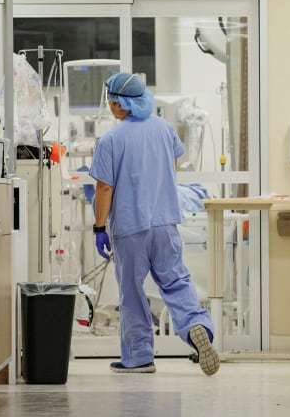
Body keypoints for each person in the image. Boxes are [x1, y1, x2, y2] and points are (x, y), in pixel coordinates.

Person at [89, 72, 220, 376]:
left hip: (131, 227)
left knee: (133, 291)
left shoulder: (111, 140)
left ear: (120, 104)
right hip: (165, 223)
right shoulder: (165, 130)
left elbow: (104, 188)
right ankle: (197, 325)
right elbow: (172, 169)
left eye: (111, 99)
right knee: (176, 280)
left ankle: (138, 358)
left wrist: (98, 227)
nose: (109, 104)